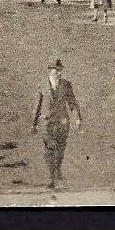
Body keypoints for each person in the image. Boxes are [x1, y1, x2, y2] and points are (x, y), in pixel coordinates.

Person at [31, 58, 83, 189]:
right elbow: (37, 105)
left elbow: (73, 103)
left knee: (60, 149)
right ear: (50, 70)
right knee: (49, 149)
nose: (59, 73)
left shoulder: (66, 85)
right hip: (47, 123)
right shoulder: (42, 85)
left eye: (60, 71)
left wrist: (78, 118)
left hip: (62, 123)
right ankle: (51, 178)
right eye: (56, 70)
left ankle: (58, 168)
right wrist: (34, 123)